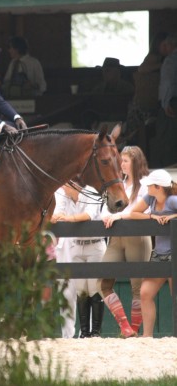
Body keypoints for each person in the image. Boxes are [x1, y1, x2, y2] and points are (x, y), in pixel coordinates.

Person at [99, 145, 152, 338]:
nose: (121, 164)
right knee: (103, 281)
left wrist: (120, 215)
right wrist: (108, 215)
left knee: (137, 287)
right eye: (121, 160)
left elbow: (144, 210)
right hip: (115, 237)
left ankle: (135, 329)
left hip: (137, 237)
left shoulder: (146, 184)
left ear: (136, 163)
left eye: (125, 161)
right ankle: (125, 327)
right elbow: (105, 209)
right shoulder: (117, 183)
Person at [51, 183, 106, 338]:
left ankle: (95, 332)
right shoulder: (64, 196)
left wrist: (67, 218)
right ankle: (84, 332)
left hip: (94, 245)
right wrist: (57, 217)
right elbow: (56, 214)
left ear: (74, 185)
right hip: (76, 245)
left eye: (65, 185)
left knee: (94, 289)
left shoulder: (91, 192)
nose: (62, 187)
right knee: (81, 289)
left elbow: (88, 215)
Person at [127, 169, 177, 337]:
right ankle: (147, 336)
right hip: (159, 253)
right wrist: (152, 217)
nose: (146, 187)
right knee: (145, 293)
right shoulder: (150, 198)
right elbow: (133, 213)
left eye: (149, 185)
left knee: (174, 294)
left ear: (158, 187)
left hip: (174, 253)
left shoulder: (172, 201)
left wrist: (173, 217)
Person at [121, 31, 169, 144]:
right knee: (135, 138)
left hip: (146, 106)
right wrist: (163, 66)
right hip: (141, 107)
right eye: (164, 45)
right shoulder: (153, 58)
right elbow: (142, 69)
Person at [151, 32, 177, 167]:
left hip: (171, 103)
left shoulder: (170, 60)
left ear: (169, 45)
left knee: (167, 139)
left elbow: (168, 83)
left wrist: (166, 103)